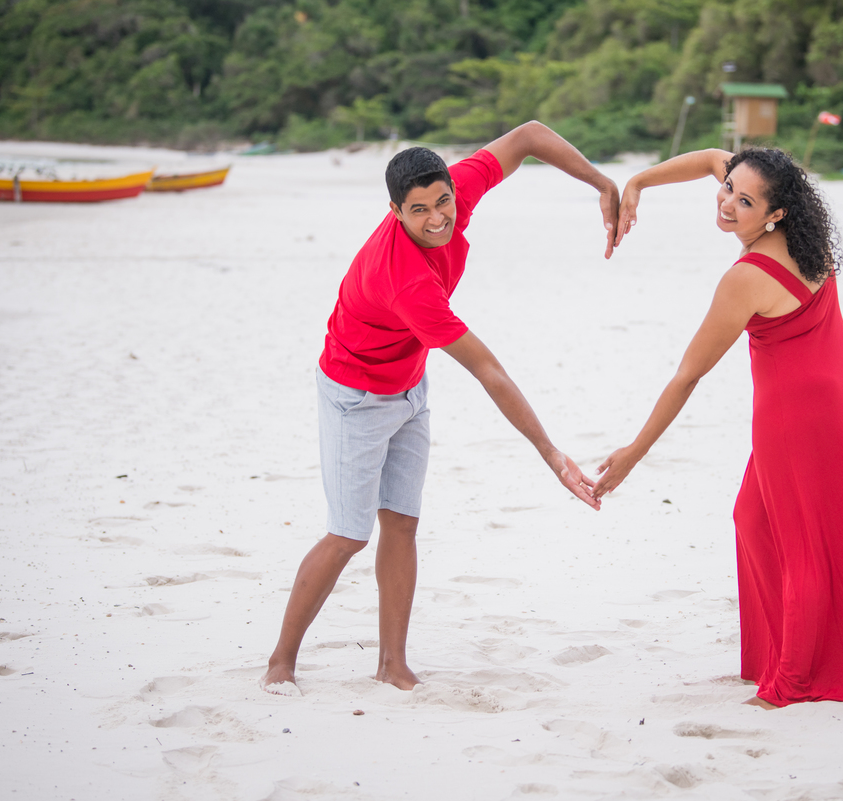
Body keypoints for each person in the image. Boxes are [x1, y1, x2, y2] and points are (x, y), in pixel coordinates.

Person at [261, 122, 618, 695]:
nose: (437, 219)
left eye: (442, 201)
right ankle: (281, 660)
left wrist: (601, 183)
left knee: (402, 522)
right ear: (395, 211)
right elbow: (489, 371)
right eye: (419, 210)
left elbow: (528, 137)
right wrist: (550, 453)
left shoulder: (456, 191)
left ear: (453, 188)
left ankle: (392, 664)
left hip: (409, 385)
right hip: (356, 396)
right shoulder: (405, 281)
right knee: (348, 534)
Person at [595, 147, 843, 708]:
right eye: (728, 189)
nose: (727, 203)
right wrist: (639, 182)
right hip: (840, 388)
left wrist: (635, 452)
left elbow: (688, 375)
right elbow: (710, 159)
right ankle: (780, 653)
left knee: (797, 541)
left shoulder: (745, 278)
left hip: (796, 411)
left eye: (744, 201)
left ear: (775, 213)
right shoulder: (801, 230)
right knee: (755, 517)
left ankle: (790, 682)